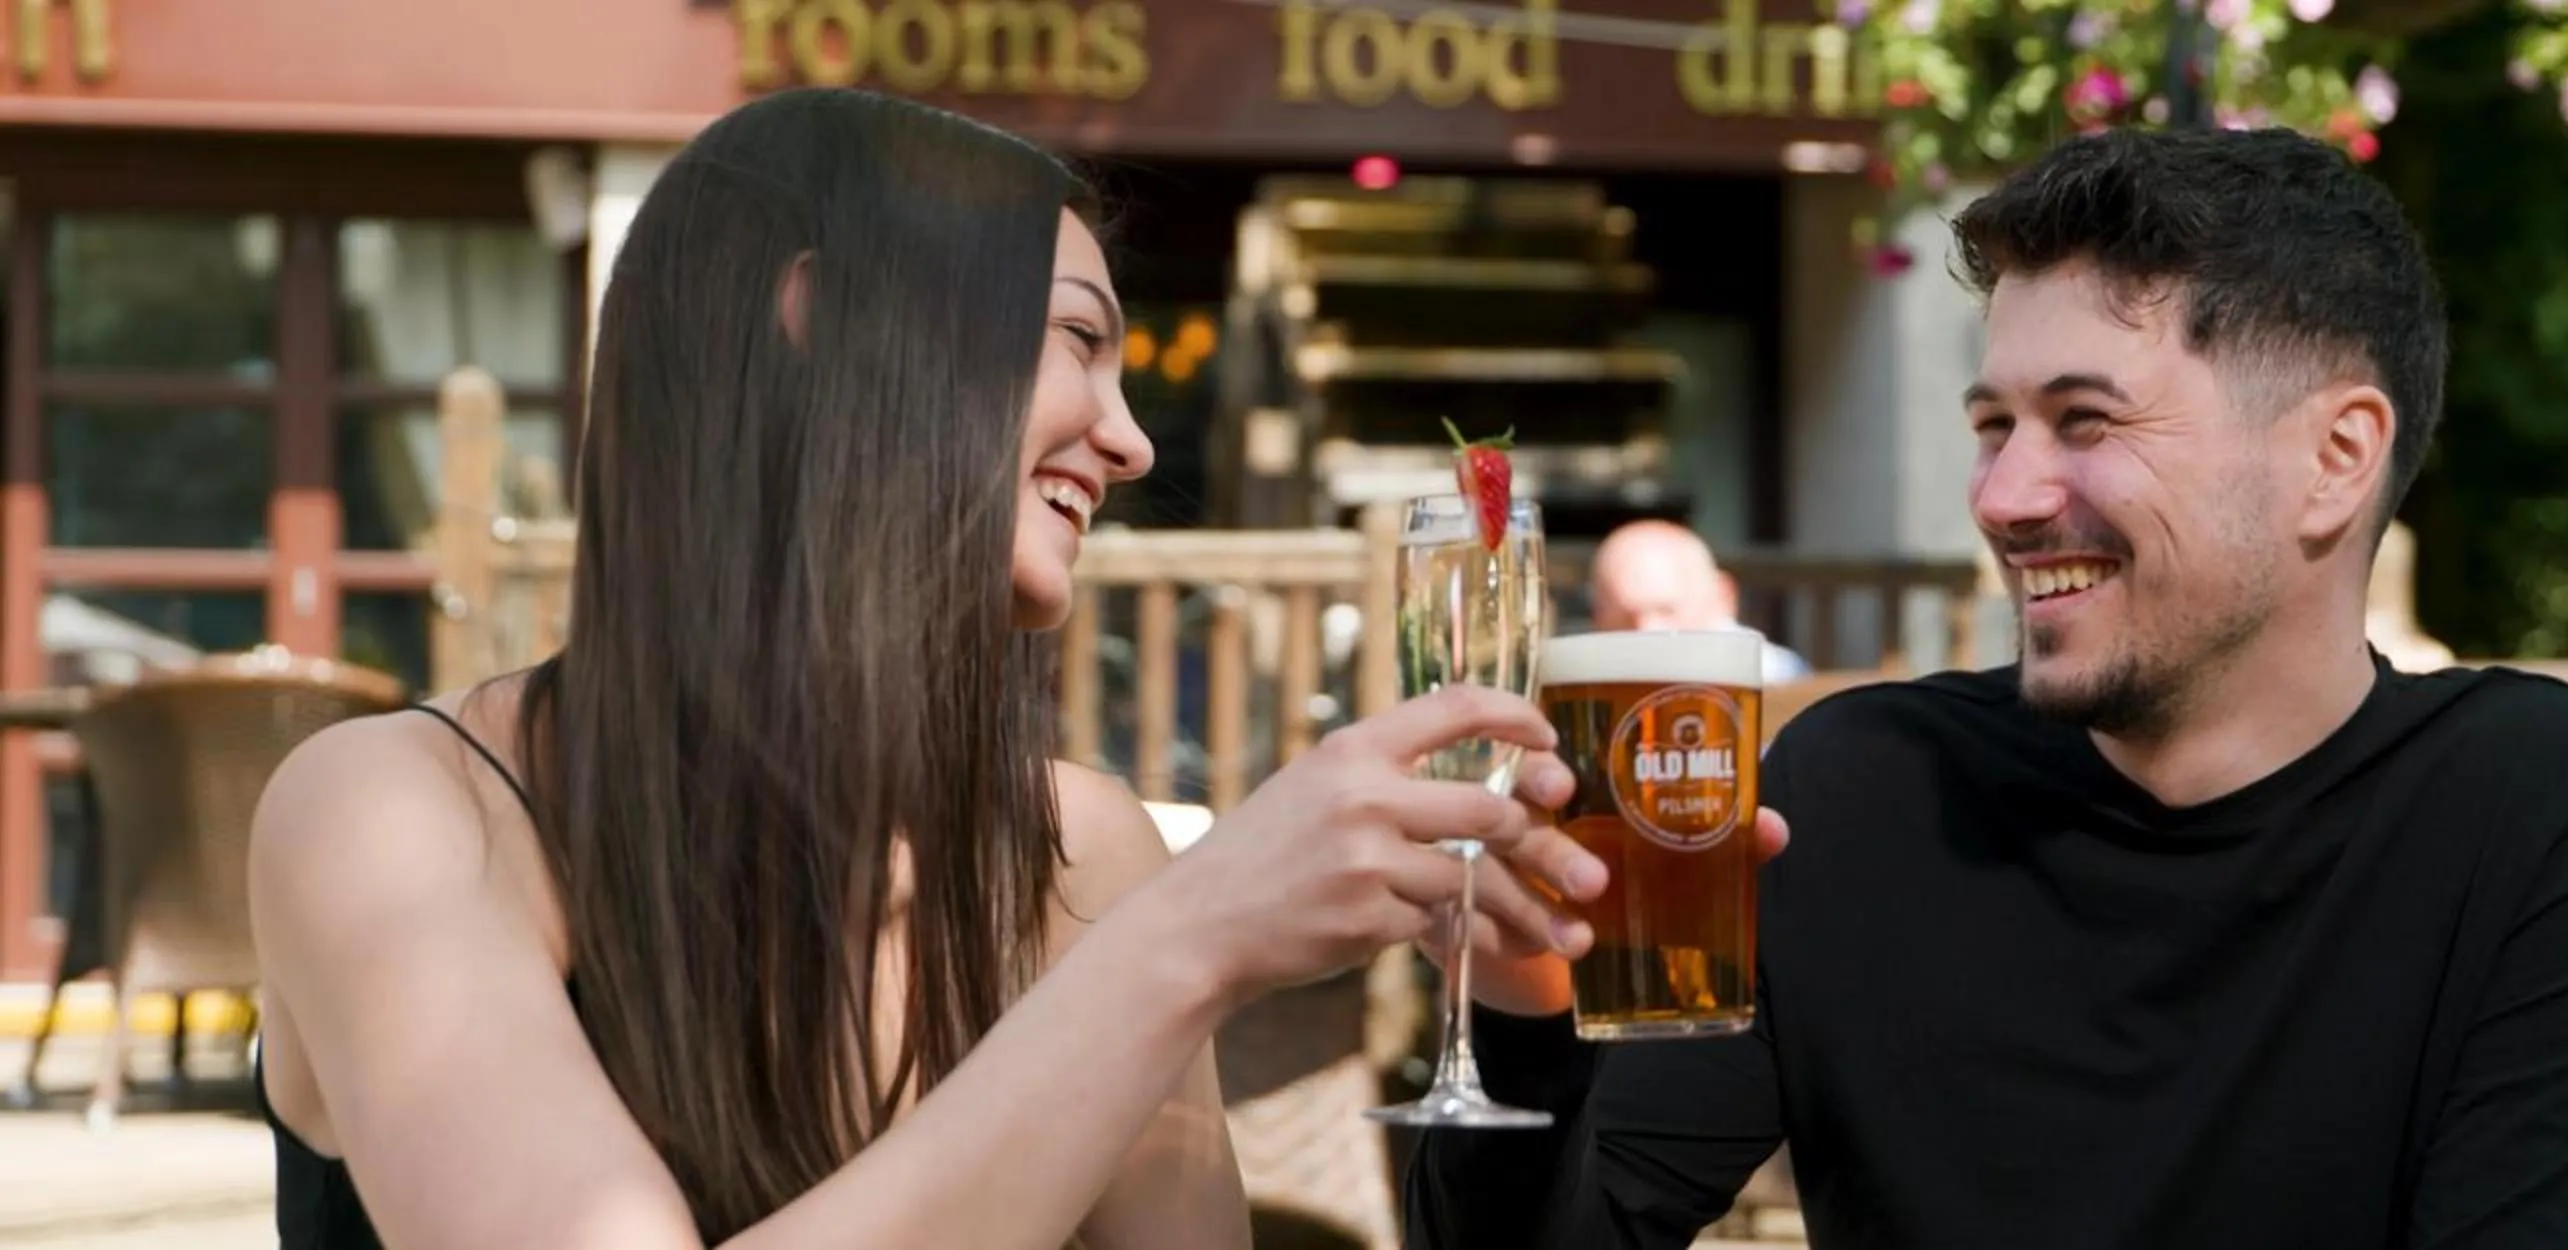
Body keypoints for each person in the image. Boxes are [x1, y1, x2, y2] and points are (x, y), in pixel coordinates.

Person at [244, 88, 1610, 1250]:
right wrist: (1183, 946)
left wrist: (1519, 1005)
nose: (1132, 443)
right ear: (825, 321)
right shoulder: (397, 809)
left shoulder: (1075, 852)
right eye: (1079, 339)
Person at [1404, 125, 2568, 1248]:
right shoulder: (1858, 793)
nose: (2004, 496)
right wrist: (1521, 998)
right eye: (1992, 426)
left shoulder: (2541, 806)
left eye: (2086, 421)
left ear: (2335, 458)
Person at [1586, 519, 1810, 683]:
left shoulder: (1780, 678)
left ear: (1724, 596)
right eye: (1626, 619)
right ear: (1597, 618)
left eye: (1666, 611)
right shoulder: (1585, 687)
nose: (1647, 631)